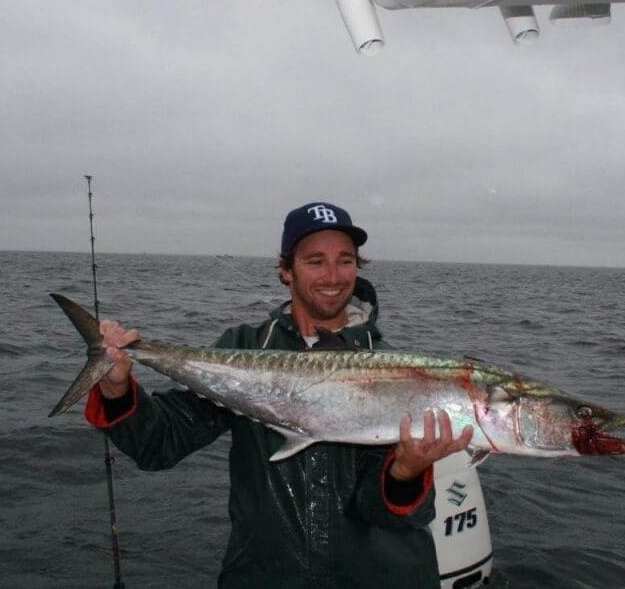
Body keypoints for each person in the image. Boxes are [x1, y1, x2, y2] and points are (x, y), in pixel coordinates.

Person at [84, 202, 472, 588]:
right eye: (315, 261)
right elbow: (160, 444)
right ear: (286, 270)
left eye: (346, 260)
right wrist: (116, 389)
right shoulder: (245, 347)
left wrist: (407, 471)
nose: (333, 276)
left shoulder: (396, 370)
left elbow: (387, 515)